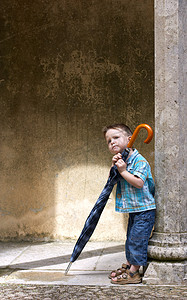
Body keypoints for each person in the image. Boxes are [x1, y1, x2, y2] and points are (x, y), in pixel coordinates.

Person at [102, 123, 156, 285]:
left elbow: (139, 183)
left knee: (138, 239)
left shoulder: (140, 161)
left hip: (144, 210)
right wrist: (114, 167)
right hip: (134, 209)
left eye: (116, 137)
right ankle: (129, 265)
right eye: (109, 140)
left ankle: (134, 273)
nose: (112, 142)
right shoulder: (122, 160)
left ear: (130, 139)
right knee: (130, 239)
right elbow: (112, 180)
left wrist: (124, 171)